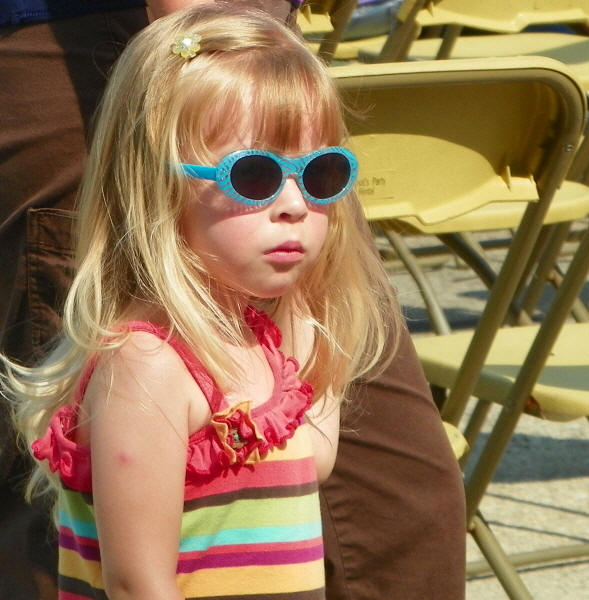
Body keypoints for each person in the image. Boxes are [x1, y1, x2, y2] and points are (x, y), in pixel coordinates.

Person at [0, 1, 466, 598]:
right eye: (254, 176)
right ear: (158, 187)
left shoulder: (262, 346)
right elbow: (138, 584)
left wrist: (312, 296)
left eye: (321, 174)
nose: (295, 204)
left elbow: (313, 459)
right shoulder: (145, 369)